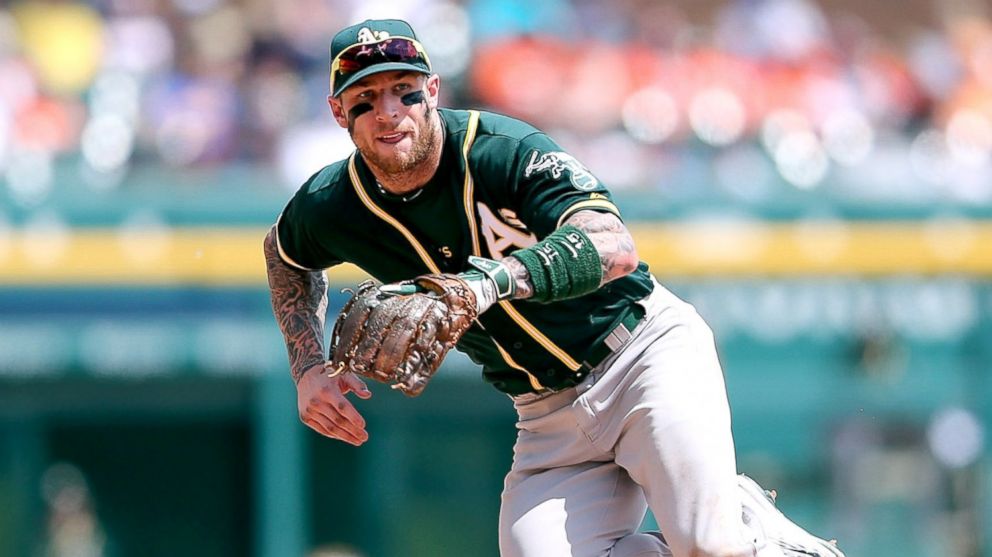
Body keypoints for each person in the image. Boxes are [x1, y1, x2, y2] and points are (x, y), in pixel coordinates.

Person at [263, 18, 845, 557]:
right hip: (544, 411)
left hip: (642, 354)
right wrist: (308, 367)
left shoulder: (501, 151)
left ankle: (748, 531)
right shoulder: (332, 204)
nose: (389, 112)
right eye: (366, 100)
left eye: (405, 91)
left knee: (708, 546)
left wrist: (487, 283)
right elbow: (283, 255)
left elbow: (613, 246)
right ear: (340, 114)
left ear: (433, 91)